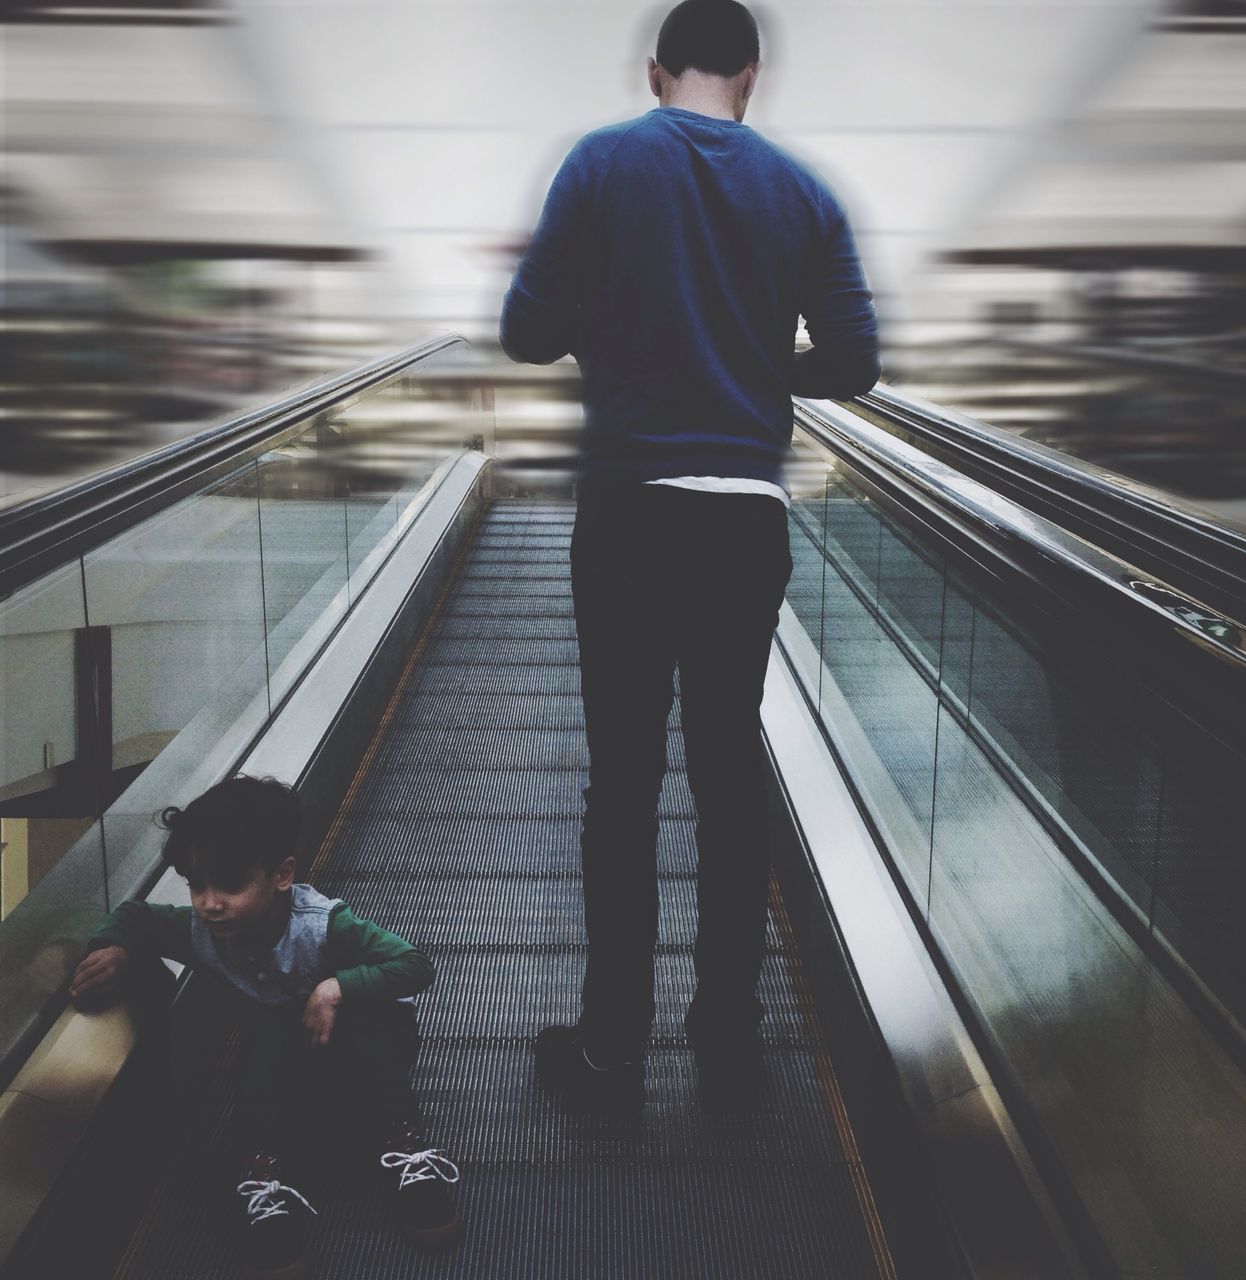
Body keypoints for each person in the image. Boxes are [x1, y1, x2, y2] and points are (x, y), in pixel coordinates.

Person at [500, 0, 880, 1109]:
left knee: (622, 785)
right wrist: (759, 367)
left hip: (625, 510)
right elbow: (853, 361)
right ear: (750, 77)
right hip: (741, 522)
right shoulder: (805, 195)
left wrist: (613, 334)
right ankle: (728, 1048)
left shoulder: (602, 163)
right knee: (727, 778)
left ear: (657, 70)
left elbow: (525, 330)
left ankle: (611, 1048)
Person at [68, 775, 461, 1278]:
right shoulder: (200, 928)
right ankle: (263, 1176)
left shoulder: (322, 924)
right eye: (196, 885)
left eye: (230, 885)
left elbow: (414, 965)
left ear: (282, 874)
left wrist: (334, 988)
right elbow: (136, 916)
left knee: (362, 1030)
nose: (210, 903)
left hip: (365, 1042)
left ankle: (403, 1145)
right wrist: (115, 947)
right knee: (261, 1047)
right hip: (284, 1056)